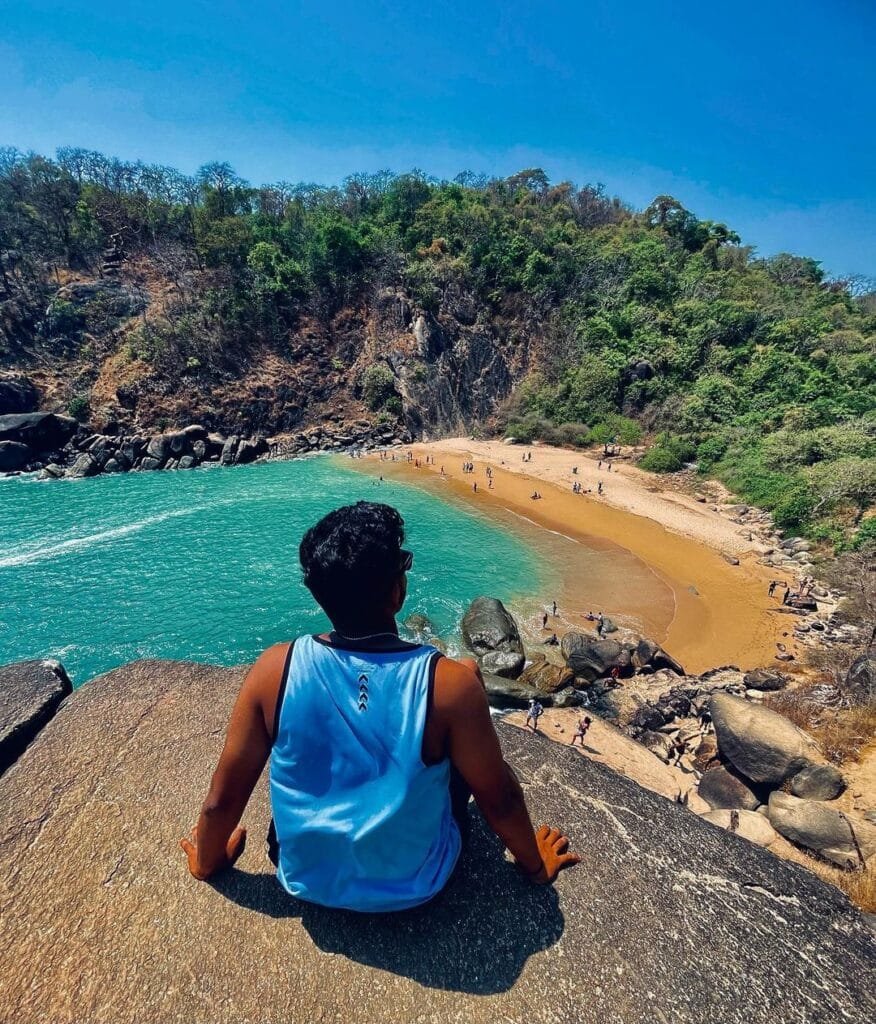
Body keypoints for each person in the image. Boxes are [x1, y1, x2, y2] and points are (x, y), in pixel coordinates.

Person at [180, 502, 579, 910]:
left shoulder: (273, 669)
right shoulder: (447, 684)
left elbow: (222, 799)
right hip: (418, 882)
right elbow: (500, 799)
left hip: (301, 875)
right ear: (397, 591)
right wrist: (535, 867)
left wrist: (208, 861)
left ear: (319, 594)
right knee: (467, 703)